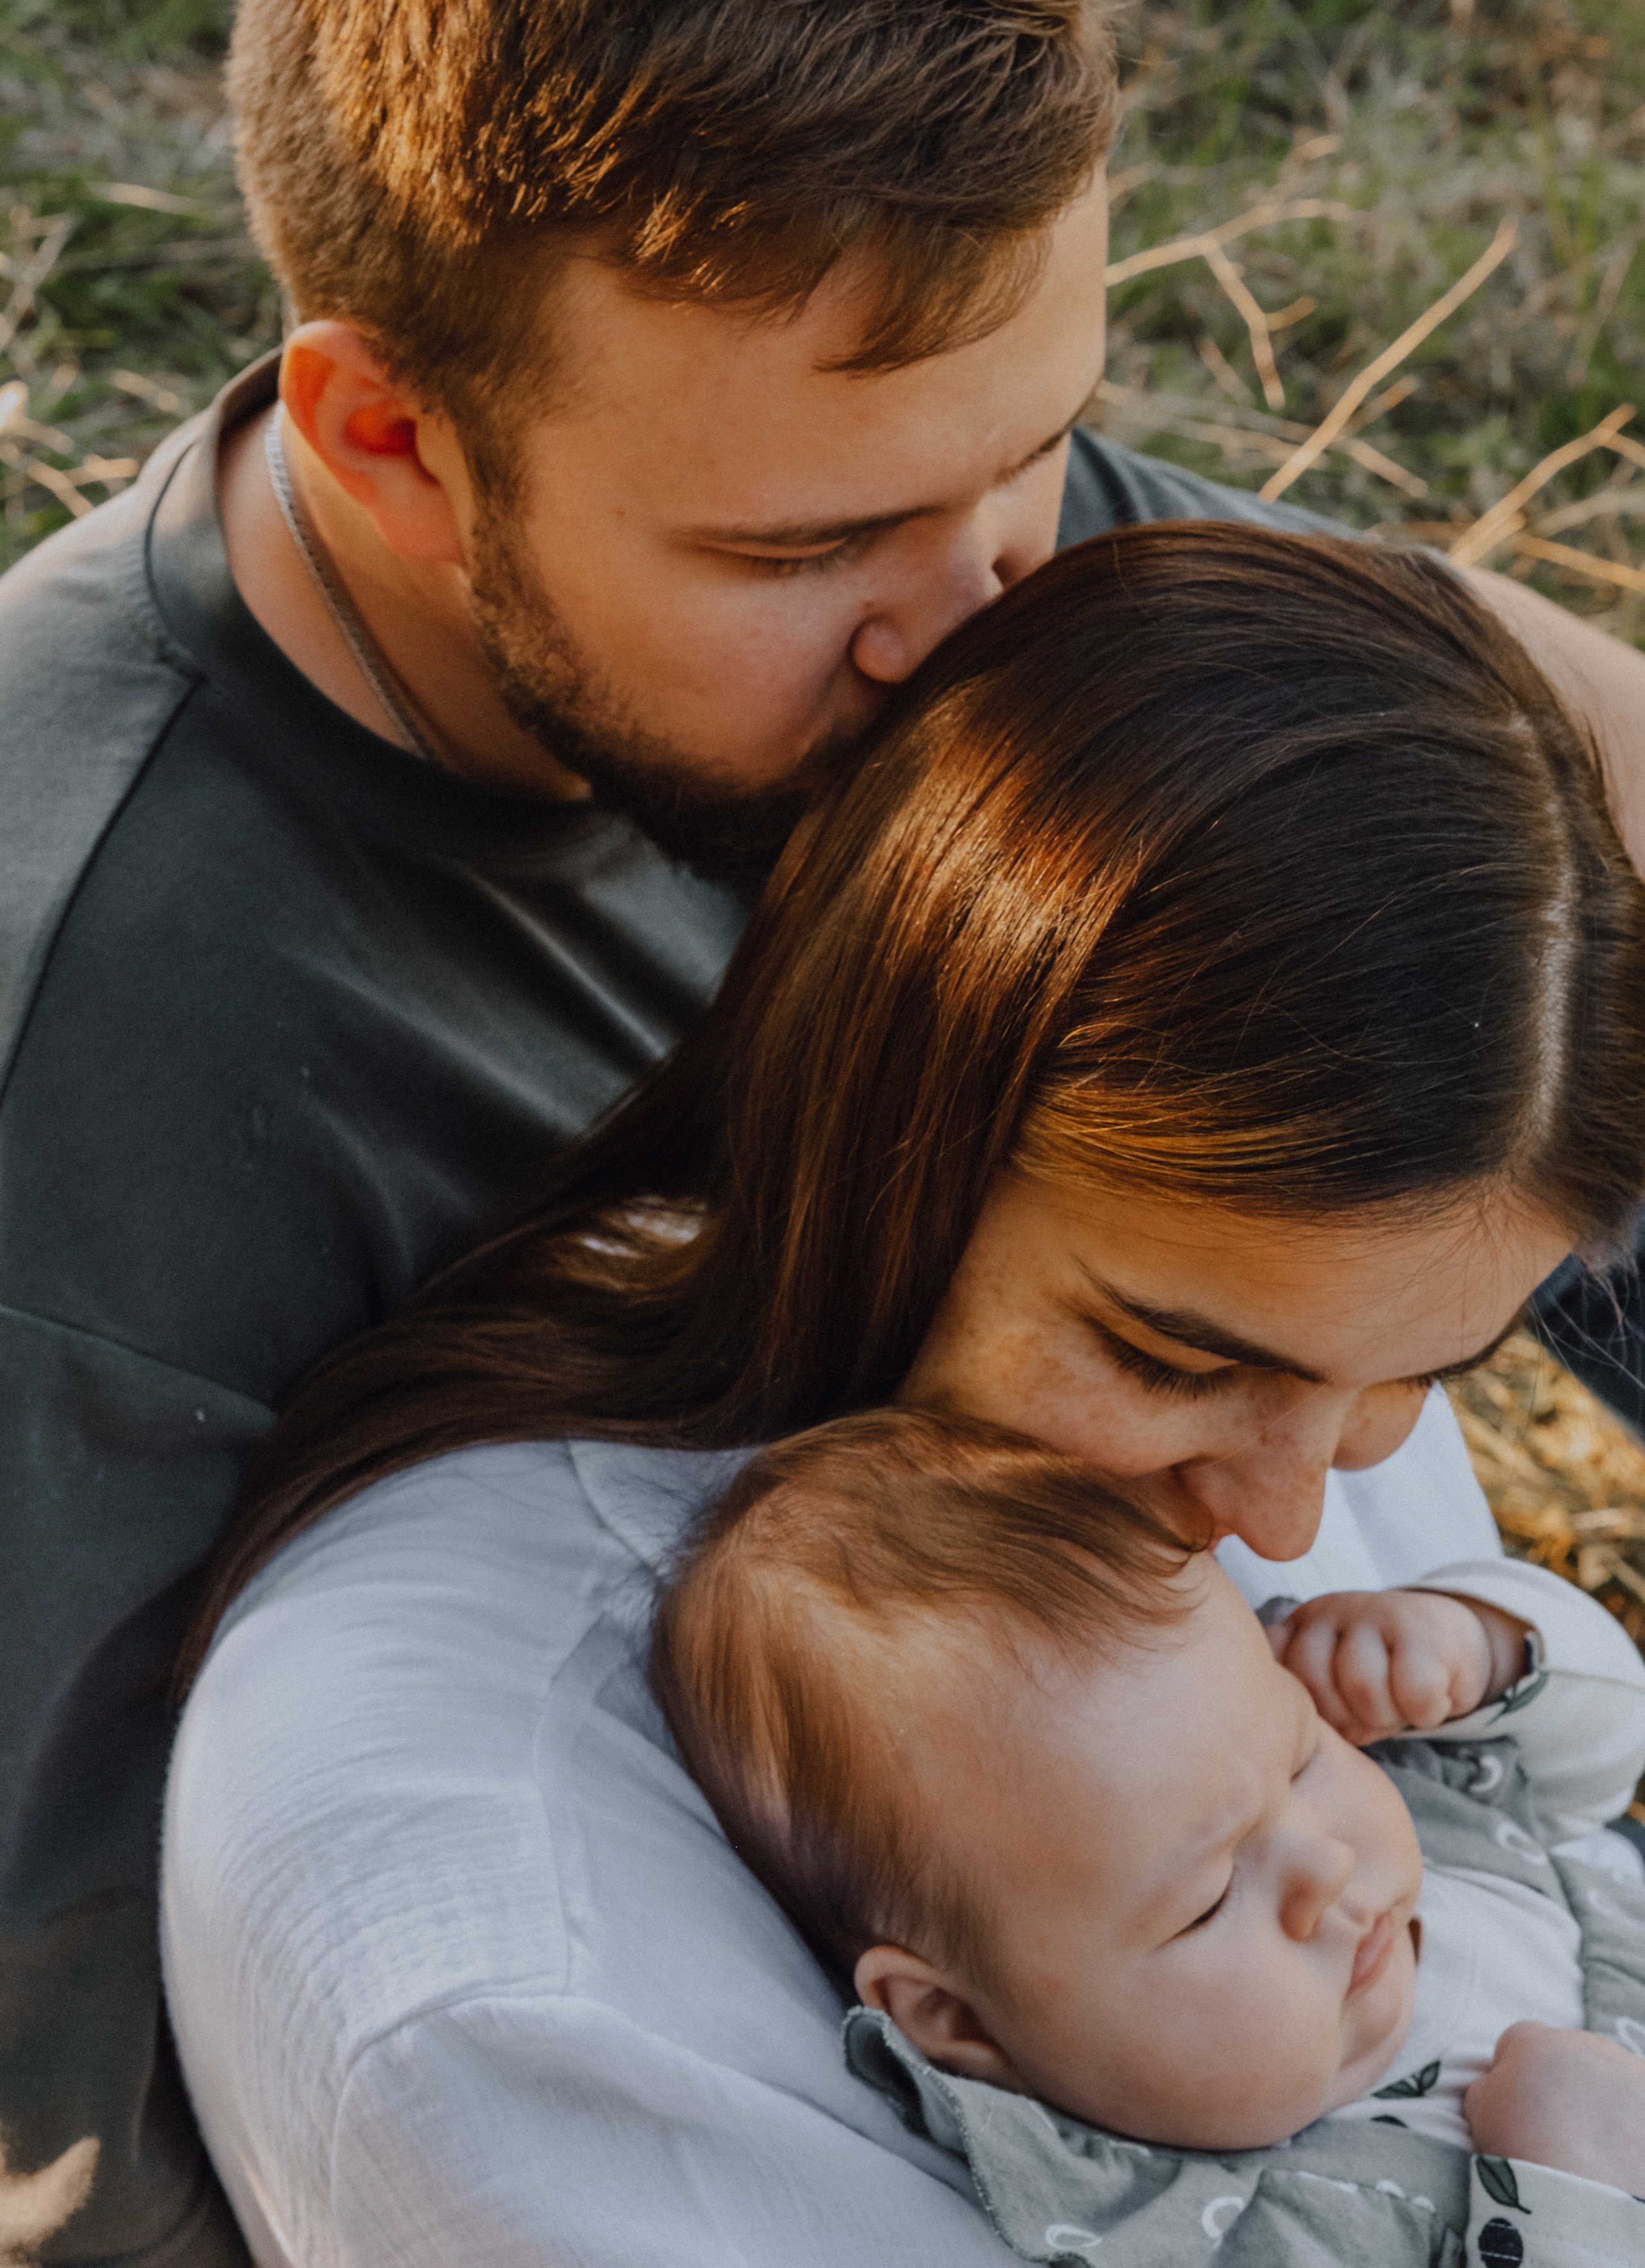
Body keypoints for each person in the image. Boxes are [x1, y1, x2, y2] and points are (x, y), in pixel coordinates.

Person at [163, 524, 1645, 2265]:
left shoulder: (1282, 1311)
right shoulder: (520, 1954)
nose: (1289, 1522)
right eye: (1173, 1361)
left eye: (1422, 1375)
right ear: (891, 1126)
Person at [654, 1407, 1645, 2267]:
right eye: (1208, 1902)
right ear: (958, 2021)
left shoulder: (1384, 1773)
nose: (1326, 1859)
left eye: (1303, 1756)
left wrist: (1480, 1646)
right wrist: (1572, 2205)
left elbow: (1601, 1767)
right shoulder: (1238, 2229)